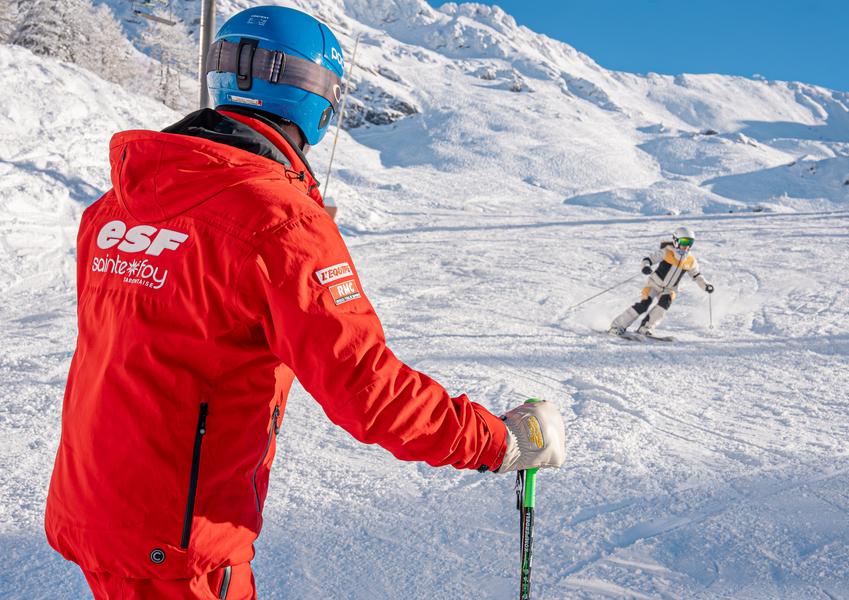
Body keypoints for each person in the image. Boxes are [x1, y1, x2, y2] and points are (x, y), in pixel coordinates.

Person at [44, 6, 565, 599]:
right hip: (182, 542)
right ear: (317, 99)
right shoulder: (278, 221)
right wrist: (499, 441)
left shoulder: (116, 205)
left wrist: (286, 252)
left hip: (93, 511)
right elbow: (367, 390)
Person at [608, 226, 714, 336]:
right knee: (644, 305)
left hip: (670, 289)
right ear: (676, 241)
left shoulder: (690, 260)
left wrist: (706, 285)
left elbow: (696, 275)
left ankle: (646, 327)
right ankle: (617, 326)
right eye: (684, 242)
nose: (686, 246)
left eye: (689, 243)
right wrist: (646, 266)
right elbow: (648, 259)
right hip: (654, 284)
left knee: (664, 305)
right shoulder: (667, 252)